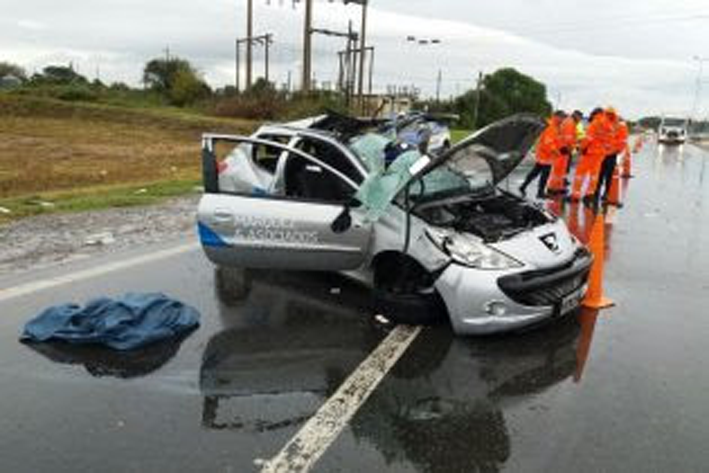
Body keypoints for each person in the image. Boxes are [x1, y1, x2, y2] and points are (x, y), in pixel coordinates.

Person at [520, 111, 566, 198]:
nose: (563, 120)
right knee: (544, 175)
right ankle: (540, 193)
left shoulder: (555, 127)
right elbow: (548, 143)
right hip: (546, 155)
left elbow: (556, 140)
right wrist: (556, 152)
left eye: (563, 118)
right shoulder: (551, 126)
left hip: (545, 154)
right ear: (556, 116)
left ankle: (523, 186)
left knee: (535, 172)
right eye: (562, 118)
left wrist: (562, 147)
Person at [567, 108, 608, 204]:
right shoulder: (608, 125)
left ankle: (575, 195)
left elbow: (588, 139)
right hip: (601, 154)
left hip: (590, 153)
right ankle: (589, 194)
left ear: (595, 114)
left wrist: (580, 149)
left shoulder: (595, 123)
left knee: (580, 174)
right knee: (594, 175)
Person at [548, 110, 584, 194]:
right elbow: (568, 138)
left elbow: (571, 138)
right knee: (558, 170)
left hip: (565, 149)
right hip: (563, 149)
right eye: (580, 117)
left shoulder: (571, 122)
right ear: (576, 116)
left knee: (561, 171)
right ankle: (552, 187)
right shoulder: (570, 123)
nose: (580, 120)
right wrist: (568, 147)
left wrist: (574, 146)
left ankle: (558, 187)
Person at [595, 108, 627, 203]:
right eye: (607, 114)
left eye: (610, 114)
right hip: (601, 153)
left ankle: (606, 193)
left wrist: (616, 150)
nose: (608, 116)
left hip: (611, 154)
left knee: (608, 175)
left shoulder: (620, 125)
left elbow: (622, 141)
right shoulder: (604, 123)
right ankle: (596, 191)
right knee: (599, 173)